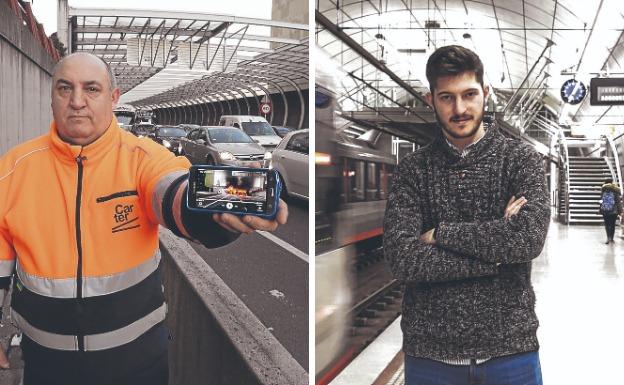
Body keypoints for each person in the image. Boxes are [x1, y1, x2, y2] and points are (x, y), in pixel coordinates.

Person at [0, 52, 288, 385]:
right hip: (46, 367)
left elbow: (173, 192)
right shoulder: (14, 169)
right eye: (65, 88)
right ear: (52, 97)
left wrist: (215, 214)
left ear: (113, 98)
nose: (77, 101)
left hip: (138, 367)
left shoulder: (143, 158)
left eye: (91, 89)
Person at [383, 45, 550, 385]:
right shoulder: (412, 171)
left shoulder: (521, 160)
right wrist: (495, 253)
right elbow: (403, 259)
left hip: (512, 351)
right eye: (447, 98)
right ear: (430, 99)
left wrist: (441, 234)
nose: (459, 109)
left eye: (469, 94)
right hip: (430, 355)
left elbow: (527, 241)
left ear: (485, 93)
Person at [599, 178, 622, 244]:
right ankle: (611, 238)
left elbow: (601, 200)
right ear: (612, 183)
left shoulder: (603, 190)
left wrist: (600, 208)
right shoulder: (615, 190)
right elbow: (618, 202)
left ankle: (608, 238)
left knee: (607, 224)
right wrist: (620, 211)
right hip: (613, 211)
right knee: (612, 225)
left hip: (605, 210)